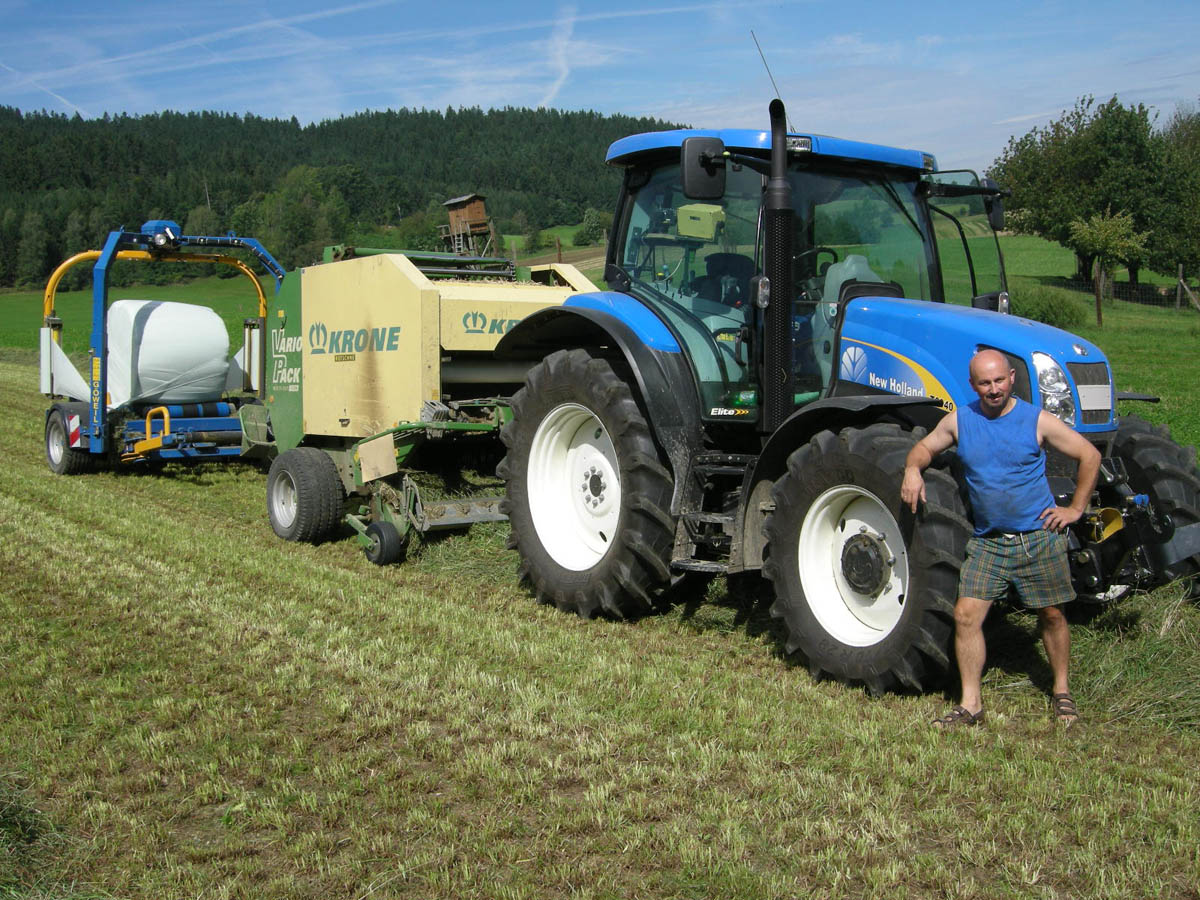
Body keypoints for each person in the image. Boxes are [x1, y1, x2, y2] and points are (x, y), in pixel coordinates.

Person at [901, 349, 1101, 728]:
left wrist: (1075, 508)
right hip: (989, 540)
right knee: (965, 616)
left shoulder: (1036, 420)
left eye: (998, 381)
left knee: (1052, 615)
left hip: (1038, 537)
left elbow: (1089, 455)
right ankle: (971, 704)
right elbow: (925, 447)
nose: (993, 389)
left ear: (1011, 378)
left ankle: (1061, 691)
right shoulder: (961, 421)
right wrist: (912, 469)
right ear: (973, 385)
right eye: (984, 383)